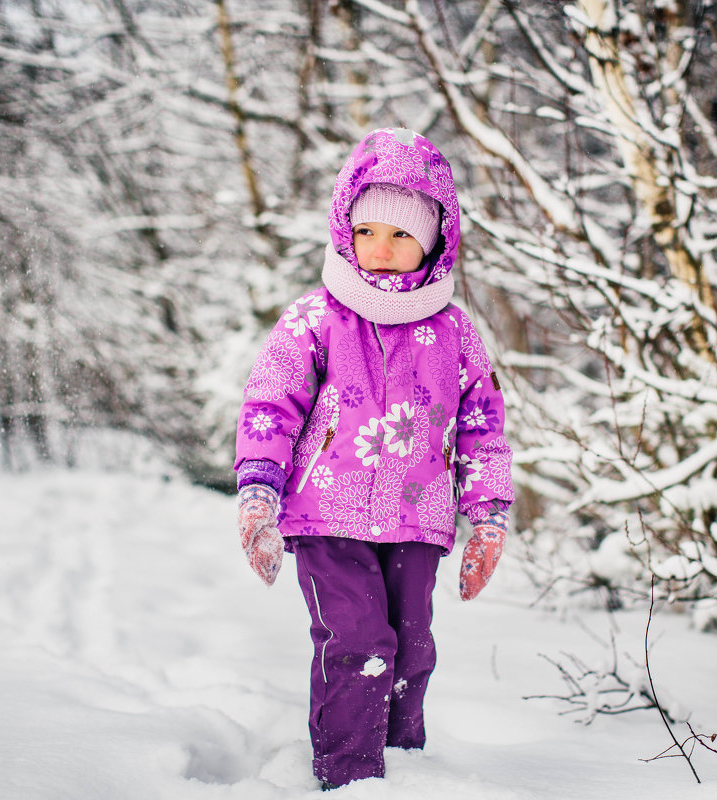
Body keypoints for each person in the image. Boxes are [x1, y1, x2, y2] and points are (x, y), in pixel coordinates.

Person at [233, 127, 514, 790]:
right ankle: (351, 779)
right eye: (367, 233)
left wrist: (490, 517)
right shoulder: (316, 319)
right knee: (359, 644)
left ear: (436, 239)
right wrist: (258, 495)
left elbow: (482, 427)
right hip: (326, 516)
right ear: (345, 231)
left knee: (412, 650)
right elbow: (270, 405)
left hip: (417, 521)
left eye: (400, 235)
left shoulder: (453, 330)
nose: (381, 251)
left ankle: (406, 774)